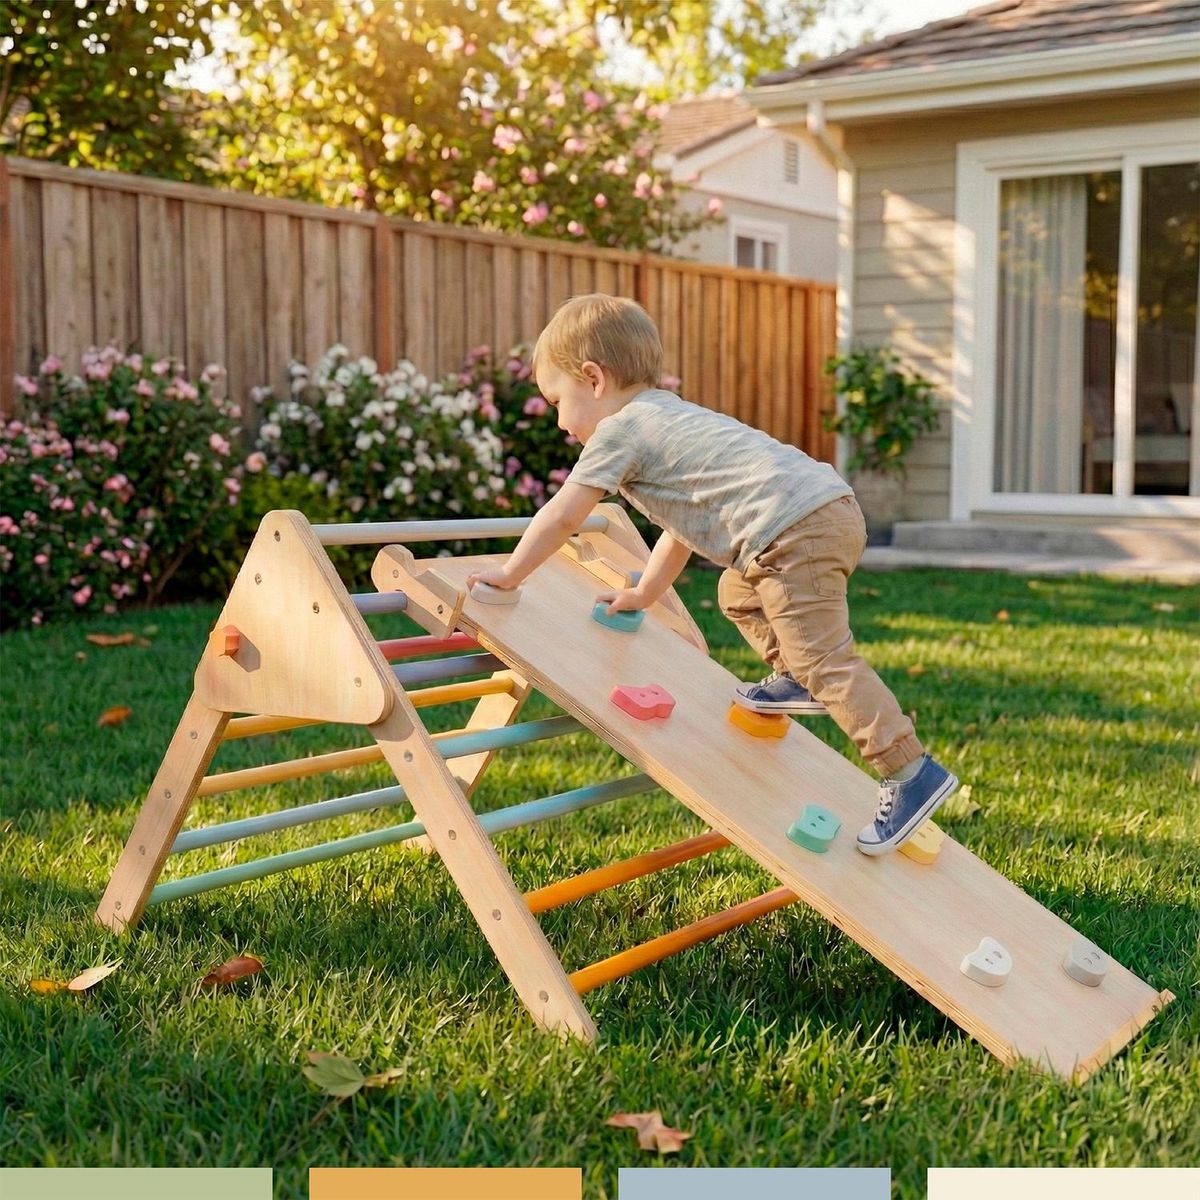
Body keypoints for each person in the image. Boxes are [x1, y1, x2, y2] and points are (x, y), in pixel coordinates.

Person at [466, 294, 958, 854]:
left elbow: (563, 515)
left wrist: (511, 573)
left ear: (594, 378)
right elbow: (685, 524)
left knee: (826, 659)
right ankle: (794, 675)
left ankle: (910, 770)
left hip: (792, 529)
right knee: (738, 591)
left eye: (558, 401)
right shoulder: (671, 416)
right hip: (820, 511)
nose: (559, 422)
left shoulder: (619, 431)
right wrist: (647, 591)